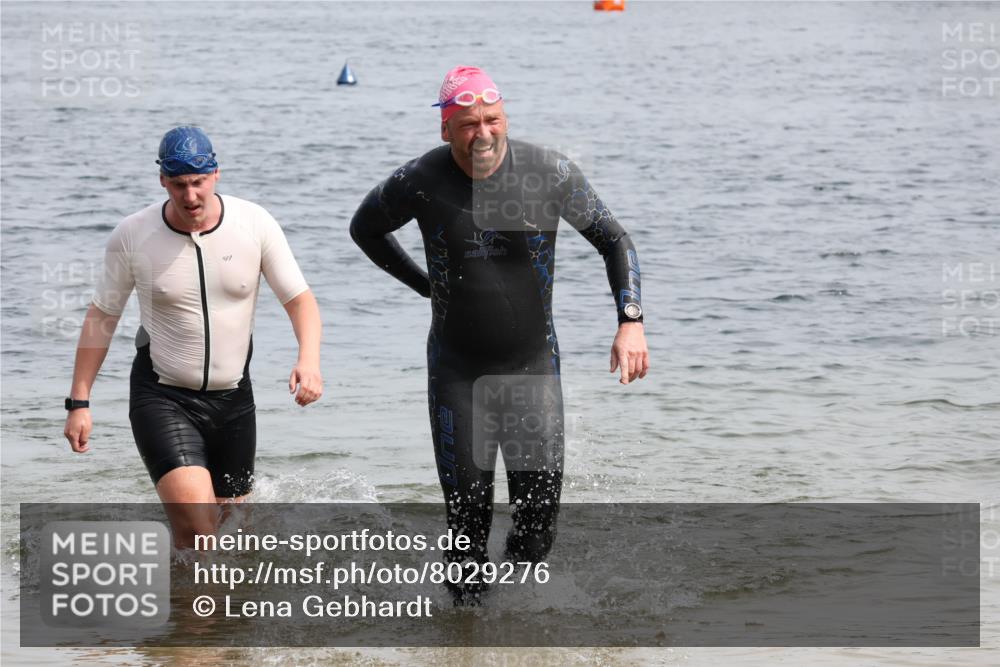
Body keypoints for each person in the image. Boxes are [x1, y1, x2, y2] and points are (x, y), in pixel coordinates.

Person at [350, 66, 649, 604]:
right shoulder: (420, 180)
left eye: (492, 120)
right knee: (467, 527)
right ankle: (464, 631)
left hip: (532, 368)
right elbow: (364, 228)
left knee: (537, 527)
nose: (483, 133)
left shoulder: (549, 172)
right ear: (446, 128)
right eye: (468, 124)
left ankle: (510, 618)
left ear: (505, 118)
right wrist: (425, 286)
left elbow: (615, 240)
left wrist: (630, 321)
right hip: (457, 374)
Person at [63, 126, 323, 548]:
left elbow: (299, 300)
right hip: (163, 397)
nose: (190, 196)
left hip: (234, 401)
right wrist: (79, 402)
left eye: (198, 182)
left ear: (216, 174)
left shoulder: (254, 223)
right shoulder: (134, 234)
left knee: (234, 540)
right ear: (162, 180)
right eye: (179, 184)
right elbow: (103, 316)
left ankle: (179, 589)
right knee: (200, 532)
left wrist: (308, 360)